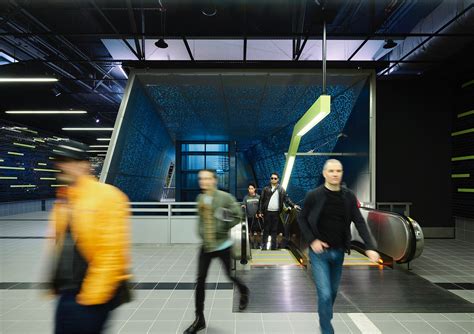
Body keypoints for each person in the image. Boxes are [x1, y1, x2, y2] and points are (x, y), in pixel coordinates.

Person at [47, 140, 132, 334]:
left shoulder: (108, 196)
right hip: (66, 293)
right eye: (59, 161)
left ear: (84, 165)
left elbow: (112, 253)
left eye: (68, 161)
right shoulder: (65, 198)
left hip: (90, 297)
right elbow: (62, 245)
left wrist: (93, 296)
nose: (61, 166)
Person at [297, 159, 380, 334]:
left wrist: (370, 246)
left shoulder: (348, 196)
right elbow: (301, 218)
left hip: (339, 251)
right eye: (331, 171)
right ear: (324, 173)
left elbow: (359, 221)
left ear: (341, 173)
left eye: (338, 171)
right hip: (319, 254)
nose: (335, 174)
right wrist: (312, 240)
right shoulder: (314, 195)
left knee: (333, 293)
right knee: (325, 293)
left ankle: (325, 315)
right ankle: (326, 328)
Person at [184, 169, 250, 334]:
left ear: (214, 180)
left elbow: (238, 215)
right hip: (206, 246)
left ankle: (243, 290)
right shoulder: (200, 198)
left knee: (229, 276)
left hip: (222, 245)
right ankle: (199, 318)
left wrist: (223, 224)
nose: (203, 182)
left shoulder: (224, 197)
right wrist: (201, 231)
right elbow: (200, 219)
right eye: (201, 179)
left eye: (207, 178)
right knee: (200, 281)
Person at [257, 172, 299, 250]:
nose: (273, 179)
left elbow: (287, 199)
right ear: (270, 179)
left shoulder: (281, 189)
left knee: (274, 230)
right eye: (272, 178)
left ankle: (273, 247)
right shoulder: (266, 189)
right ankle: (263, 247)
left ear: (278, 179)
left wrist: (293, 205)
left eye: (275, 178)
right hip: (267, 212)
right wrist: (259, 212)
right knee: (266, 230)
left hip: (276, 213)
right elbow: (261, 201)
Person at [241, 183, 261, 248]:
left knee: (258, 232)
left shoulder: (258, 197)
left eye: (252, 188)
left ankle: (258, 245)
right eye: (249, 188)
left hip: (257, 218)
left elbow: (261, 206)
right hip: (249, 218)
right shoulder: (246, 197)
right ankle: (251, 245)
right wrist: (243, 206)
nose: (250, 190)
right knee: (250, 232)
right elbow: (243, 205)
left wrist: (259, 213)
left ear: (254, 189)